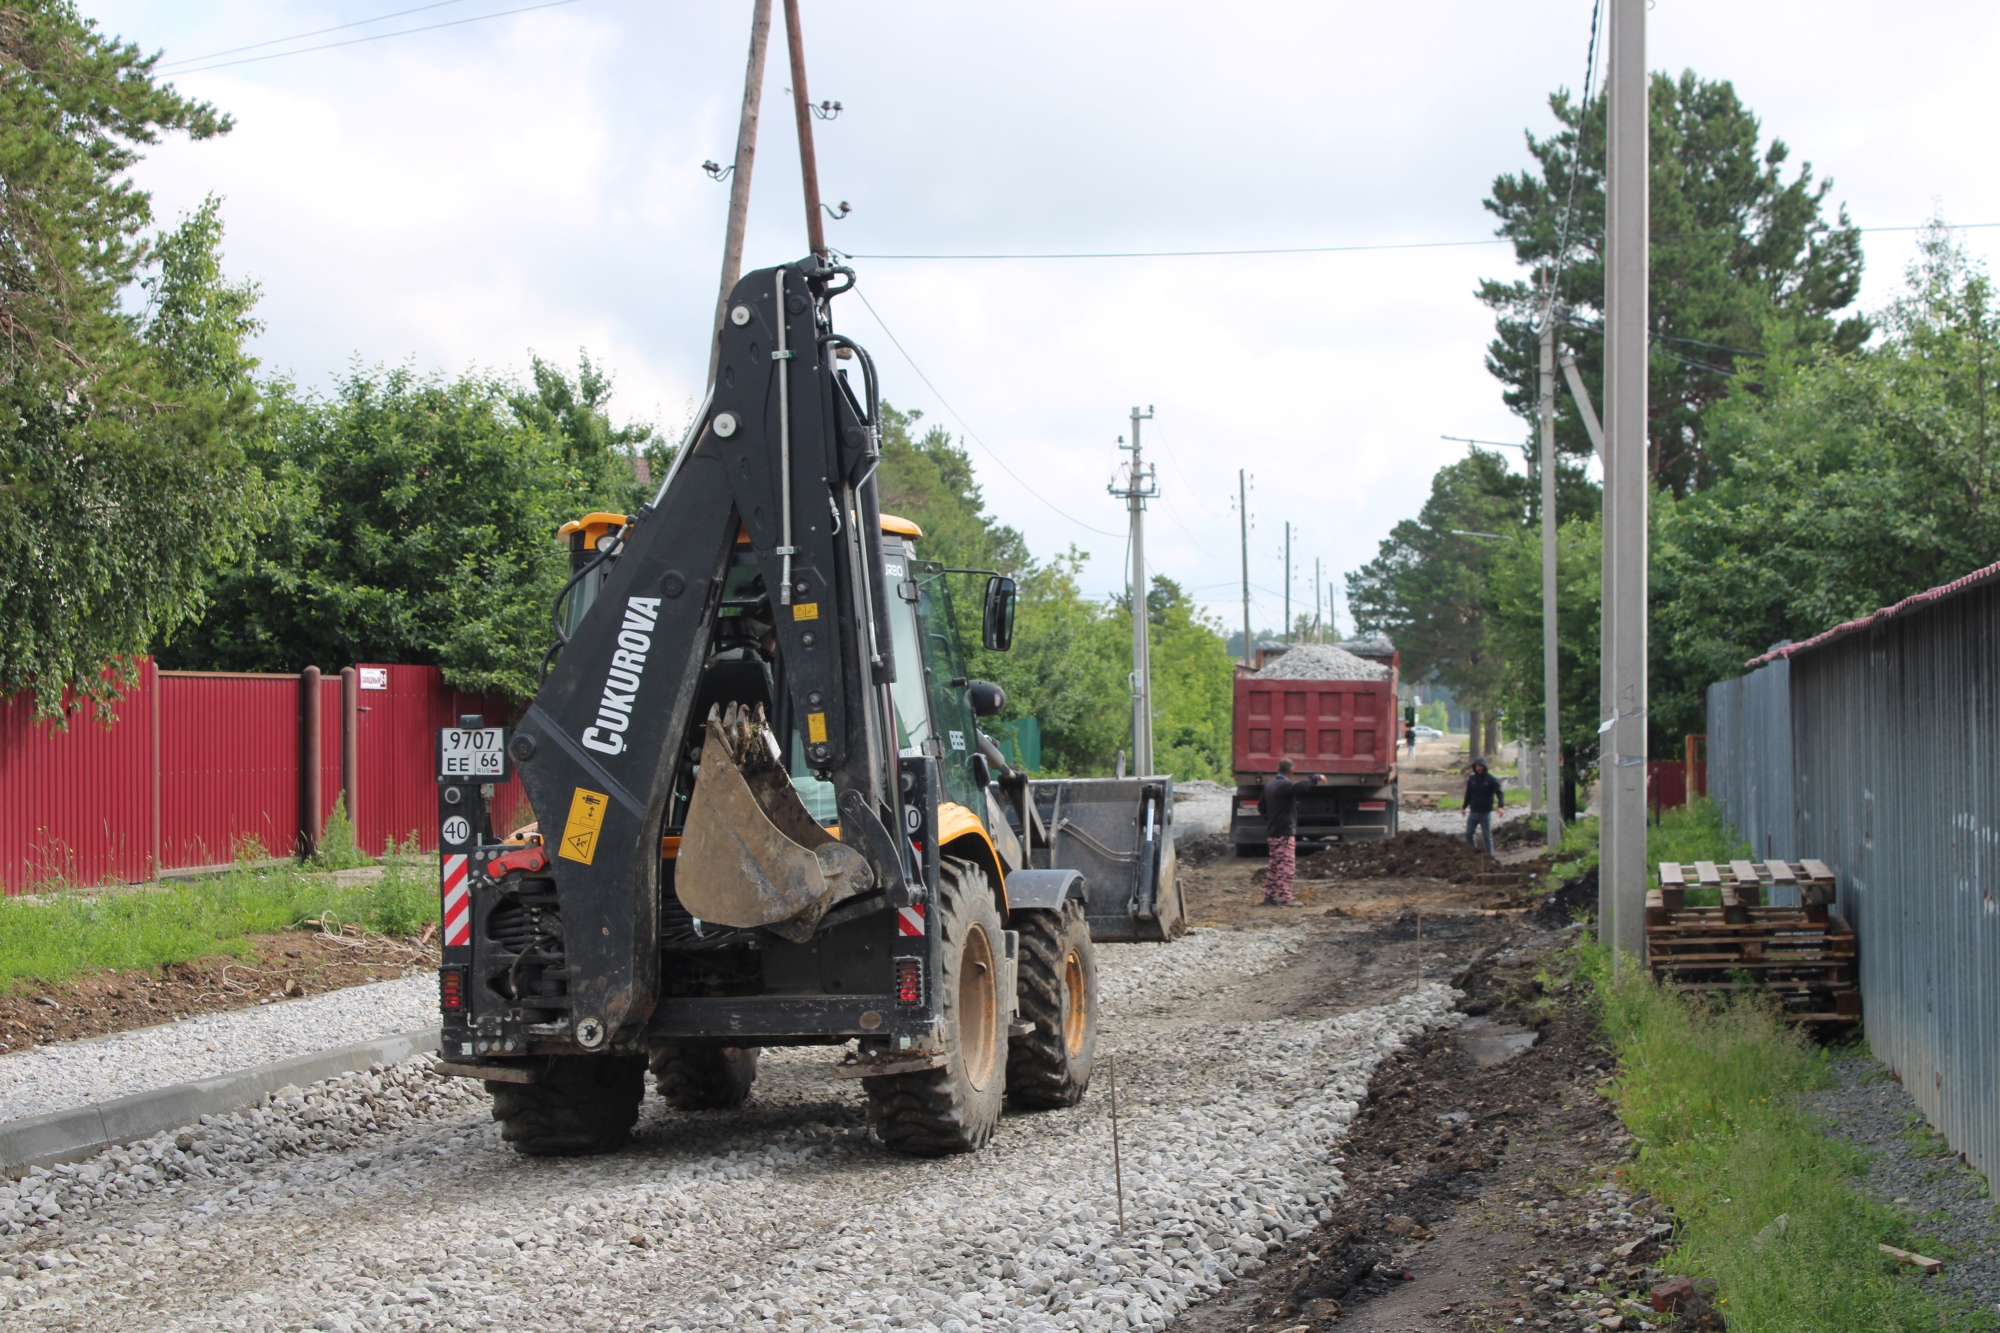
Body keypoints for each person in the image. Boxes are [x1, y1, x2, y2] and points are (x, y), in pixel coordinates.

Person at [1259, 759, 1321, 906]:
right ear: (1291, 771)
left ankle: (1269, 896)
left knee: (1274, 866)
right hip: (1284, 833)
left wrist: (1271, 818)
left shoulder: (1269, 785)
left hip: (1272, 833)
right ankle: (1286, 899)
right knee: (1286, 866)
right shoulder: (1285, 785)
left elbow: (1261, 807)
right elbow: (1302, 786)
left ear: (1278, 769)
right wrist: (1316, 778)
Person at [1463, 756, 1505, 853]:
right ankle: (1474, 852)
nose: (1479, 768)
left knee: (1487, 836)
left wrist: (1500, 806)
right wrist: (1464, 807)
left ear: (1484, 767)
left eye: (1480, 766)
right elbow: (1468, 793)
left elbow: (1499, 793)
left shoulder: (1491, 780)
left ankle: (1490, 857)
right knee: (1469, 833)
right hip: (1473, 812)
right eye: (1477, 766)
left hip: (1485, 813)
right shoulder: (1472, 779)